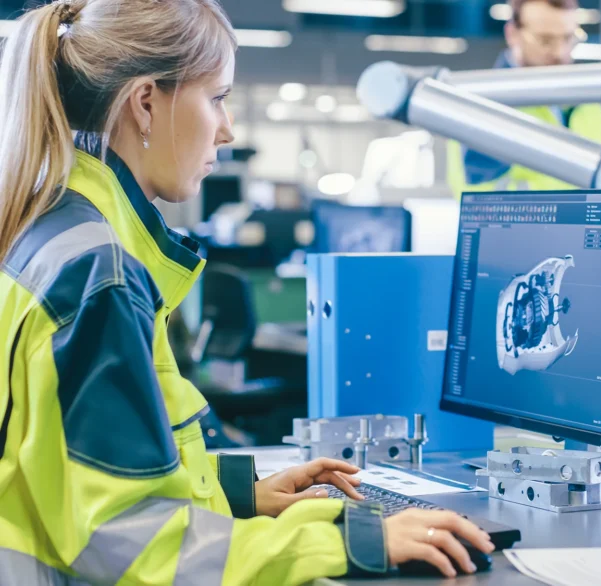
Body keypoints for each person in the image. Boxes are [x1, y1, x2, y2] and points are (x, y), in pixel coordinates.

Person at [0, 1, 494, 584]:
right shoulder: (99, 273)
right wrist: (359, 540)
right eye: (216, 97)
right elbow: (131, 543)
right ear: (146, 103)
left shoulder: (60, 230)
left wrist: (241, 493)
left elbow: (80, 473)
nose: (228, 128)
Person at [447, 0, 601, 195]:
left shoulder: (589, 105)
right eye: (545, 40)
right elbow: (475, 196)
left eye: (568, 38)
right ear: (512, 34)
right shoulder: (484, 106)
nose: (560, 53)